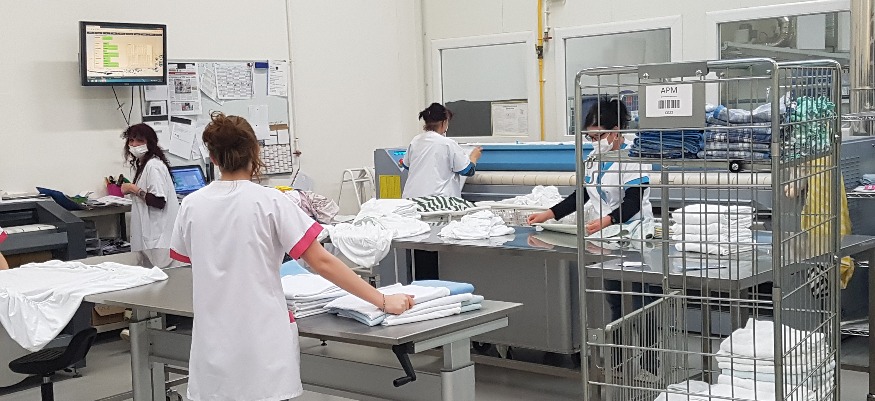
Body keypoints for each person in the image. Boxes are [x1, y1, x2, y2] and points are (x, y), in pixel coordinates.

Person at [169, 112, 414, 401]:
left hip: (213, 347)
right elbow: (321, 261)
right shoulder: (271, 201)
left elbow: (192, 258)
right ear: (255, 152)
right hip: (262, 344)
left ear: (212, 157)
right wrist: (383, 300)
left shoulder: (192, 205)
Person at [527, 99, 652, 233]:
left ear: (615, 131)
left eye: (598, 136)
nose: (594, 142)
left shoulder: (633, 156)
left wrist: (609, 220)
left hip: (634, 228)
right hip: (605, 228)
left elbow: (633, 202)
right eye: (590, 137)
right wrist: (548, 214)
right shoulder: (594, 157)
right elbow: (582, 195)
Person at [401, 103, 482, 199]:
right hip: (437, 200)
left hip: (411, 200)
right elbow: (468, 170)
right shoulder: (448, 144)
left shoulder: (415, 141)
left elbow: (406, 165)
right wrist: (474, 157)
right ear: (444, 122)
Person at [120, 123, 179, 251]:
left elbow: (158, 201)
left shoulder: (153, 166)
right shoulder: (145, 165)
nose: (134, 144)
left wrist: (133, 189)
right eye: (131, 140)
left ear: (150, 143)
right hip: (150, 237)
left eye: (140, 141)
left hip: (158, 240)